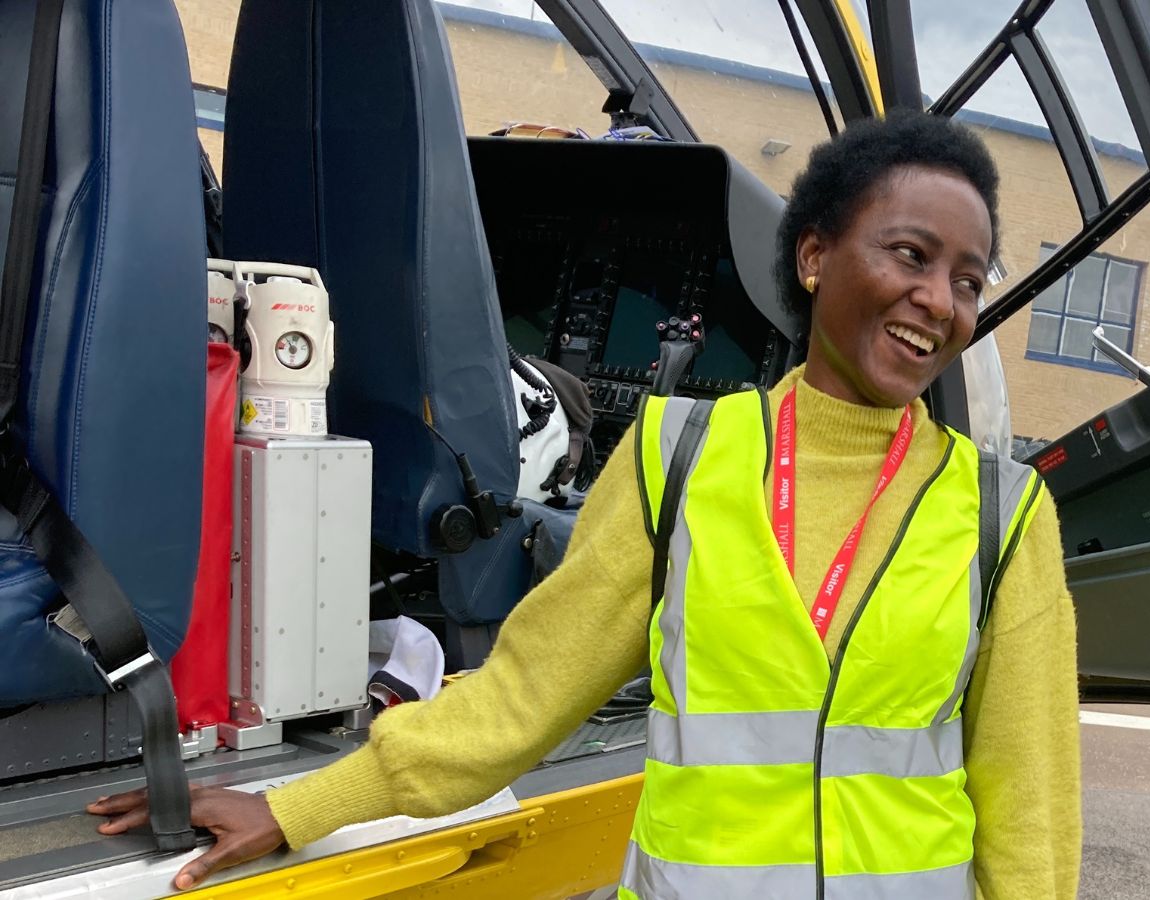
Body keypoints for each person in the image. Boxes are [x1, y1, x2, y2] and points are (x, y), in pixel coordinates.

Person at [91, 110, 1082, 898]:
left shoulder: (1001, 516)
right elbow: (524, 696)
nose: (939, 302)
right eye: (910, 255)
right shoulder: (677, 459)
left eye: (966, 279)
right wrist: (297, 806)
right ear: (817, 256)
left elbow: (1028, 812)